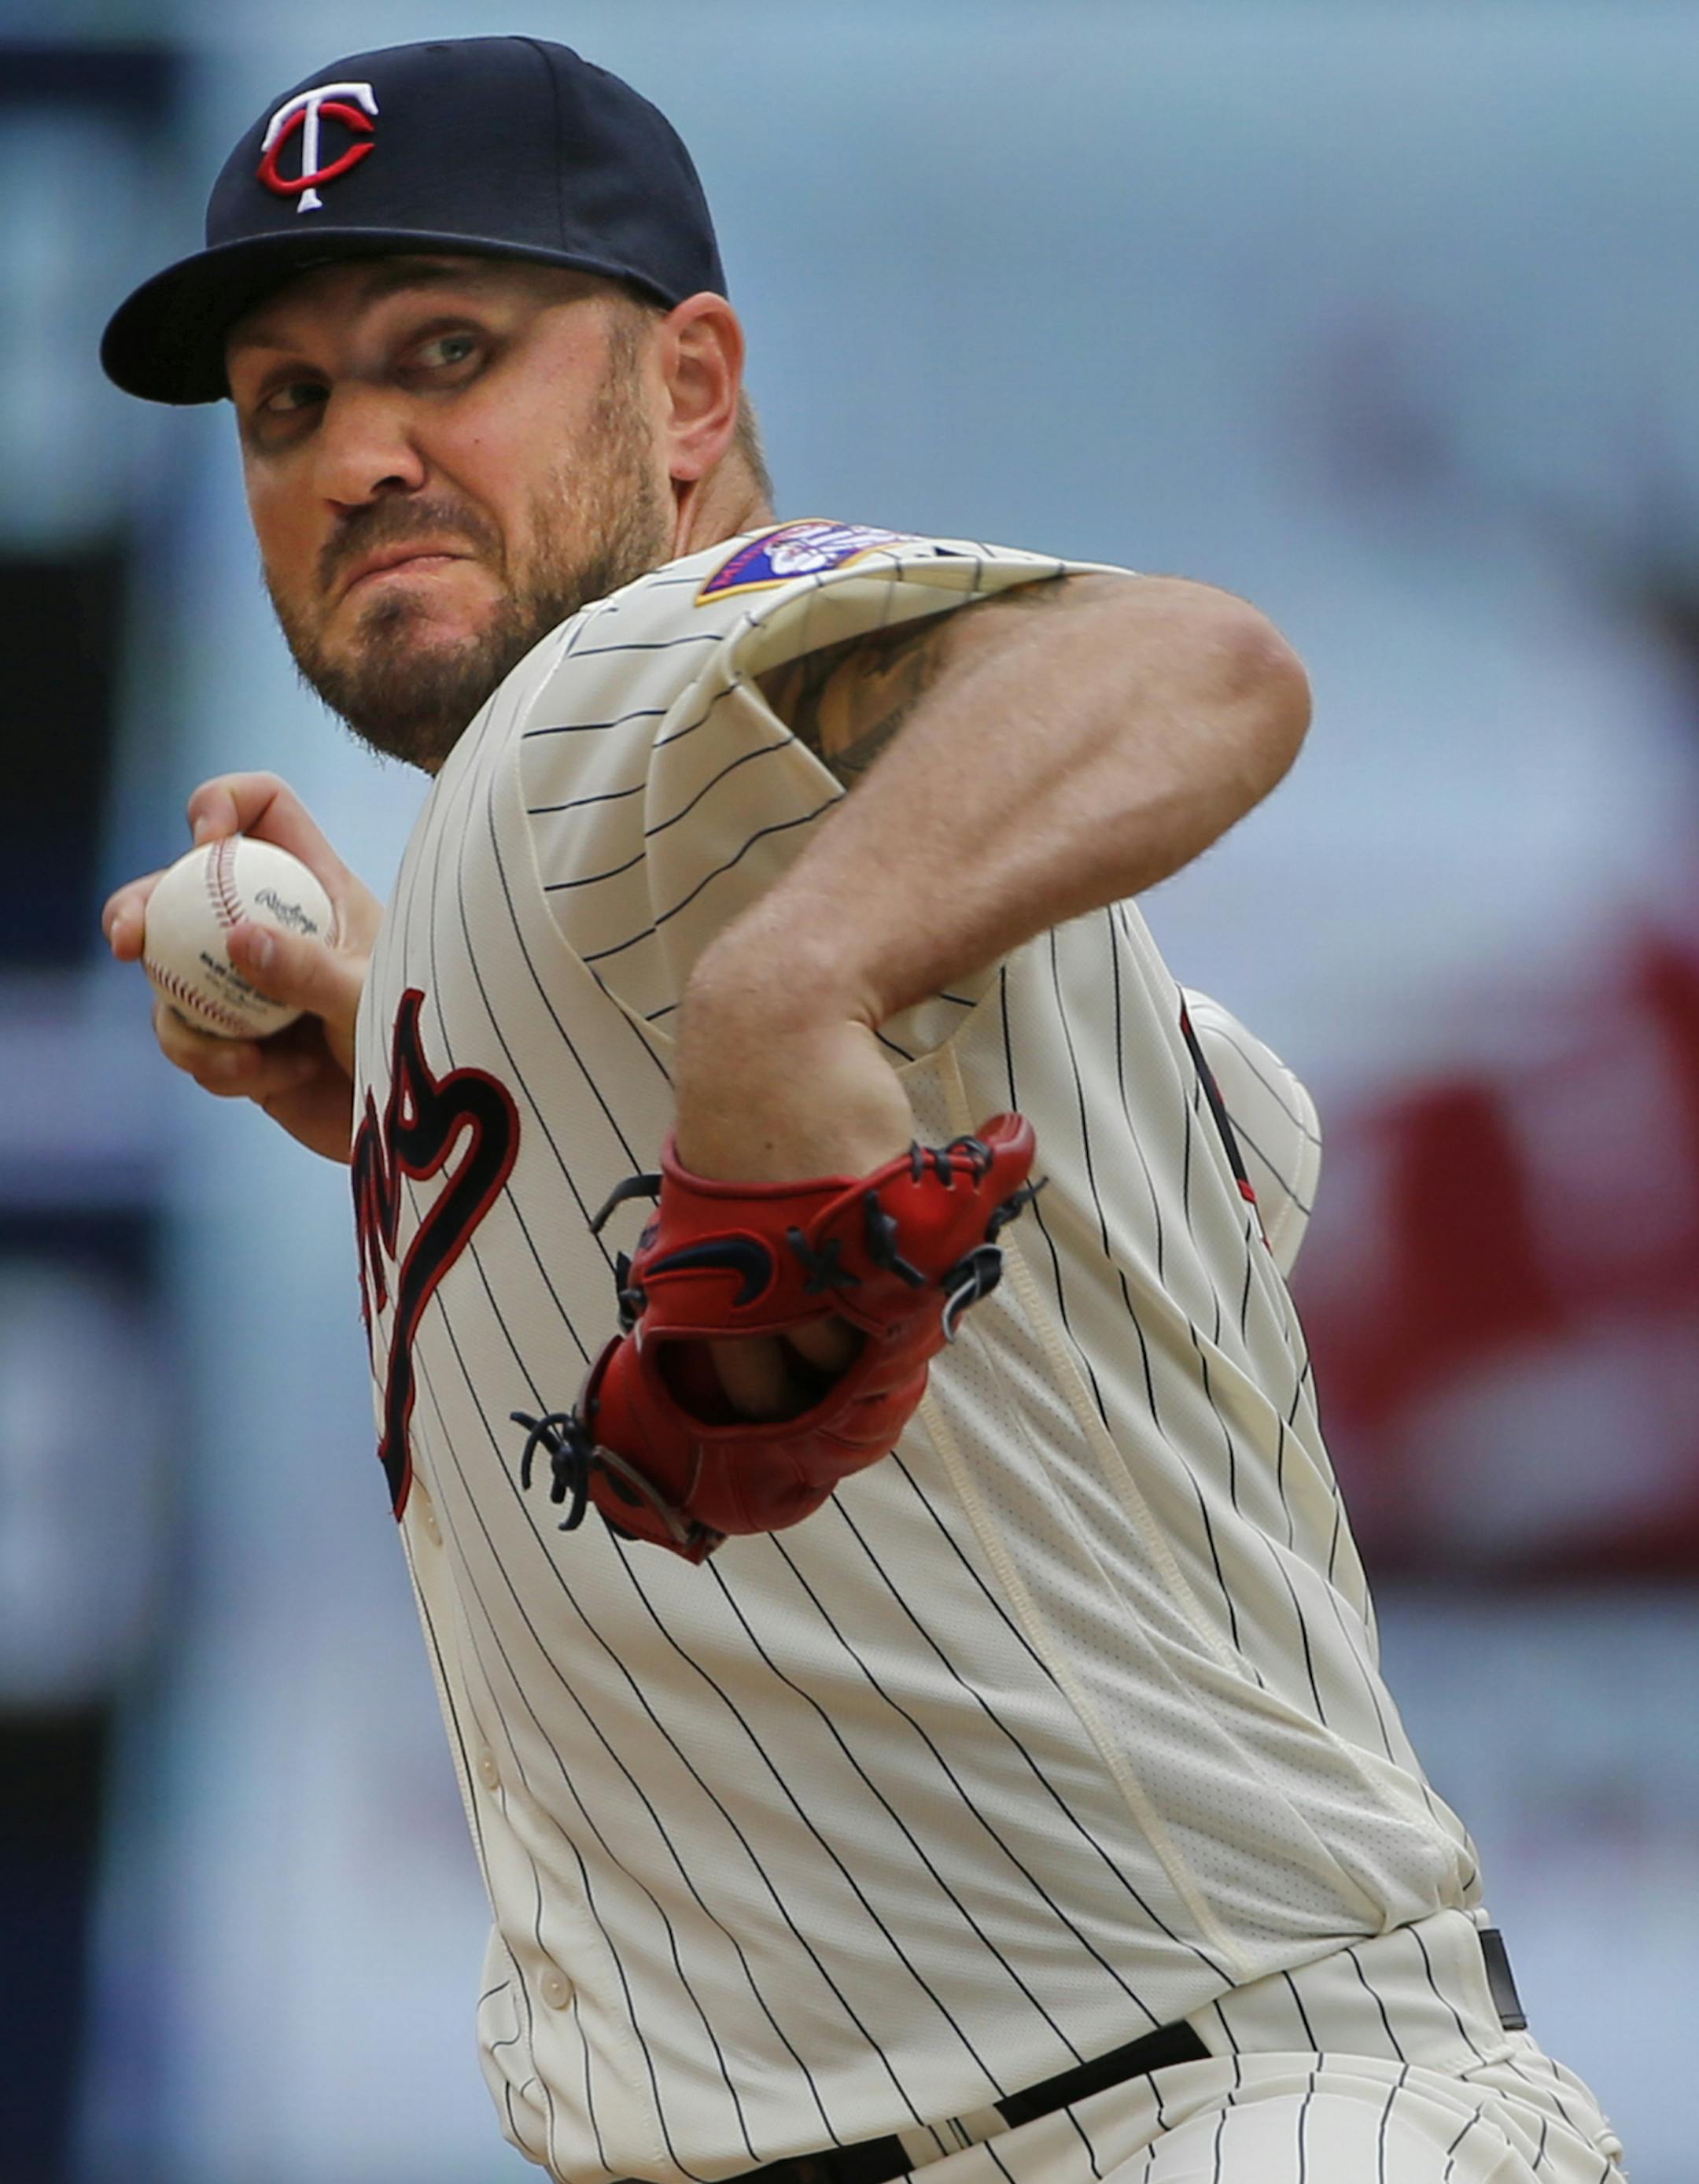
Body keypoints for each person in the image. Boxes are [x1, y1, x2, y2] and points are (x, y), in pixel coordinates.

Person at [99, 35, 1624, 2184]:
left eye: (446, 351)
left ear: (692, 392)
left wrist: (789, 987)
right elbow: (1166, 1221)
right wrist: (404, 1063)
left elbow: (1197, 667)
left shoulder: (641, 671)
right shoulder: (604, 852)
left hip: (1199, 2122)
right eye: (290, 405)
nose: (358, 454)